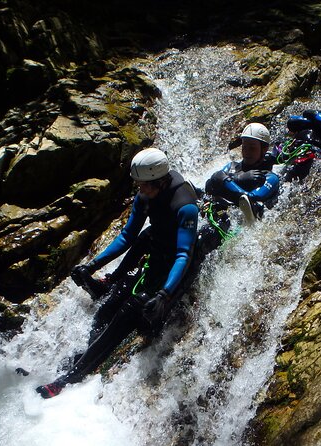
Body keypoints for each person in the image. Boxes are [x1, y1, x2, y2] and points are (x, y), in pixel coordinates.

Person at [35, 148, 200, 399]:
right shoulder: (146, 195)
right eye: (138, 185)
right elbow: (126, 236)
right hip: (157, 262)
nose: (140, 190)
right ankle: (84, 356)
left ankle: (67, 380)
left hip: (178, 270)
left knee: (127, 314)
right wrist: (93, 266)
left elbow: (184, 255)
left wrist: (165, 295)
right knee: (106, 310)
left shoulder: (184, 206)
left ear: (159, 181)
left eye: (143, 186)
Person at [204, 123, 280, 224]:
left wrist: (226, 182)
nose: (246, 152)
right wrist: (237, 178)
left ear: (264, 149)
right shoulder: (231, 167)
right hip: (222, 215)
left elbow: (253, 198)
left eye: (252, 148)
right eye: (244, 147)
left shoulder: (270, 177)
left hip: (244, 221)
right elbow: (211, 184)